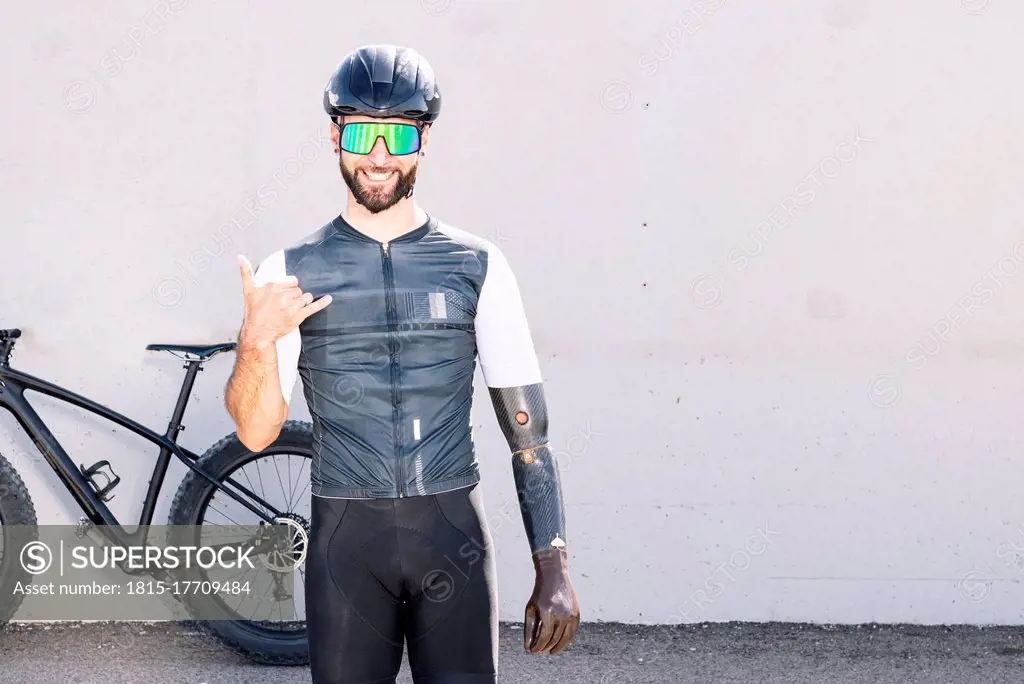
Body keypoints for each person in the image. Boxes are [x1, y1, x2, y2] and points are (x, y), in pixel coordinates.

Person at [223, 44, 581, 684]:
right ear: (336, 137)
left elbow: (530, 437)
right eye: (363, 131)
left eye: (400, 133)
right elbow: (255, 433)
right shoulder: (288, 271)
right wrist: (254, 340)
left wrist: (551, 562)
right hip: (345, 548)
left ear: (424, 141)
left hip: (451, 540)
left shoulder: (479, 264)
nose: (380, 155)